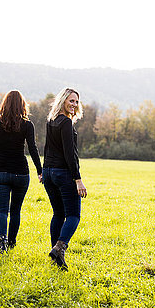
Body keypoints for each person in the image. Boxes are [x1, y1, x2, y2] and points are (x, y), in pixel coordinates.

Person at [0, 90, 42, 253]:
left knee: (2, 210)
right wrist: (40, 170)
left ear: (5, 104)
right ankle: (11, 242)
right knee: (16, 210)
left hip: (1, 172)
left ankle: (1, 239)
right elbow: (33, 148)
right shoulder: (27, 124)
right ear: (22, 105)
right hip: (21, 173)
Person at [42, 88, 87, 270]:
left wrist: (44, 172)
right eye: (71, 101)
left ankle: (55, 255)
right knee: (73, 215)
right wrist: (78, 179)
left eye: (76, 102)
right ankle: (60, 247)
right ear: (63, 101)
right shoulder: (66, 123)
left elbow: (47, 149)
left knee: (58, 214)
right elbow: (70, 155)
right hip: (62, 173)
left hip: (49, 173)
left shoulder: (51, 120)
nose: (74, 104)